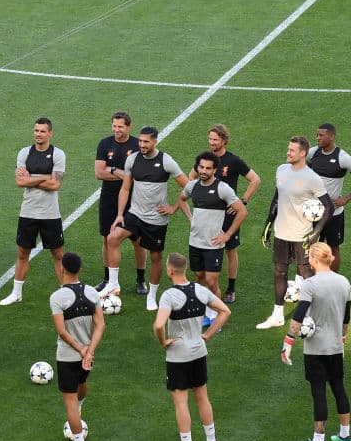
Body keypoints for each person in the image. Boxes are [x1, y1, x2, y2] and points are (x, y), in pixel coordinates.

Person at [98, 126, 188, 311]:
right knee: (112, 237)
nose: (142, 144)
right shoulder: (133, 159)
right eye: (140, 141)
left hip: (156, 219)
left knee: (156, 257)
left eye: (146, 141)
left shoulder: (166, 161)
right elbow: (125, 188)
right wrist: (120, 215)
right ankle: (114, 284)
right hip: (135, 214)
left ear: (155, 141)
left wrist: (173, 208)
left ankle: (152, 296)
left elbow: (189, 187)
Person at [153, 252, 230, 441]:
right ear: (184, 269)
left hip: (178, 356)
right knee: (202, 396)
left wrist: (163, 341)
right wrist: (207, 335)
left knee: (181, 402)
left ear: (169, 271)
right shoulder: (200, 290)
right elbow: (225, 311)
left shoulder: (169, 296)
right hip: (198, 351)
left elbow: (159, 324)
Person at [280, 243, 351, 441]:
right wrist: (343, 337)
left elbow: (298, 316)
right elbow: (346, 317)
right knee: (338, 387)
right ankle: (345, 434)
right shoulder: (344, 282)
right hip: (336, 346)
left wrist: (288, 342)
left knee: (319, 391)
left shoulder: (310, 285)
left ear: (313, 258)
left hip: (316, 349)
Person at [256, 137, 333, 329]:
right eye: (288, 149)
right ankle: (278, 315)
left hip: (302, 235)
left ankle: (311, 315)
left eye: (292, 150)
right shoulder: (281, 170)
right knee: (279, 272)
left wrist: (316, 231)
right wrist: (267, 224)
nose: (288, 152)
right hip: (281, 233)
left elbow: (328, 206)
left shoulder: (312, 178)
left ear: (302, 153)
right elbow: (276, 198)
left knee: (307, 275)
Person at [188, 124, 261, 303]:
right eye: (210, 139)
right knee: (208, 245)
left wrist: (242, 201)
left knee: (230, 249)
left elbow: (255, 180)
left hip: (228, 215)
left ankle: (230, 287)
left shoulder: (233, 161)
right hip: (210, 214)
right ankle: (210, 284)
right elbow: (191, 178)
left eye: (215, 139)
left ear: (224, 141)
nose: (212, 142)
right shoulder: (206, 162)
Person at [0, 118, 67, 306]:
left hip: (50, 214)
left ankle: (65, 293)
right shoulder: (24, 153)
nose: (38, 134)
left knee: (58, 255)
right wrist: (46, 177)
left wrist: (34, 178)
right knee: (22, 253)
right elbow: (19, 182)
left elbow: (56, 184)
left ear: (50, 133)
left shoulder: (58, 154)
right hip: (28, 212)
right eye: (36, 130)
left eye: (42, 131)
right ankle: (16, 293)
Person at [178, 151, 247, 326]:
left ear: (215, 170)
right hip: (195, 242)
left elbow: (242, 211)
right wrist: (190, 218)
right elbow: (181, 199)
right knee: (199, 277)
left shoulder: (222, 188)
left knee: (211, 281)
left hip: (213, 244)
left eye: (208, 168)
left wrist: (228, 234)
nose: (204, 171)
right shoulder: (192, 186)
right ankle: (205, 312)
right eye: (201, 167)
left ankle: (216, 316)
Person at [49, 252, 104, 441]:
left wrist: (81, 349)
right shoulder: (92, 292)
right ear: (80, 269)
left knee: (69, 402)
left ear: (62, 269)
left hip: (68, 356)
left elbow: (62, 331)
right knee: (82, 383)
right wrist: (90, 350)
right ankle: (79, 407)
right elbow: (100, 324)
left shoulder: (57, 297)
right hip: (87, 356)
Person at [94, 111, 146, 294]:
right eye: (114, 126)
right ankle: (108, 279)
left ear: (129, 127)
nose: (116, 130)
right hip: (108, 199)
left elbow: (137, 176)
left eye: (120, 127)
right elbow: (99, 173)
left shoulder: (137, 146)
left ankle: (141, 280)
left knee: (139, 241)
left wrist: (112, 170)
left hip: (134, 200)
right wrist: (121, 172)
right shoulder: (104, 143)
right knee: (107, 240)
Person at [306, 124, 351, 271]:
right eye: (317, 135)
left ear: (332, 137)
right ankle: (312, 279)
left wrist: (346, 198)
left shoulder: (343, 158)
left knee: (333, 247)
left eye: (321, 135)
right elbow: (305, 170)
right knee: (312, 247)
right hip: (313, 211)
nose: (317, 138)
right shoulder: (313, 153)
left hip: (334, 214)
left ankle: (332, 280)